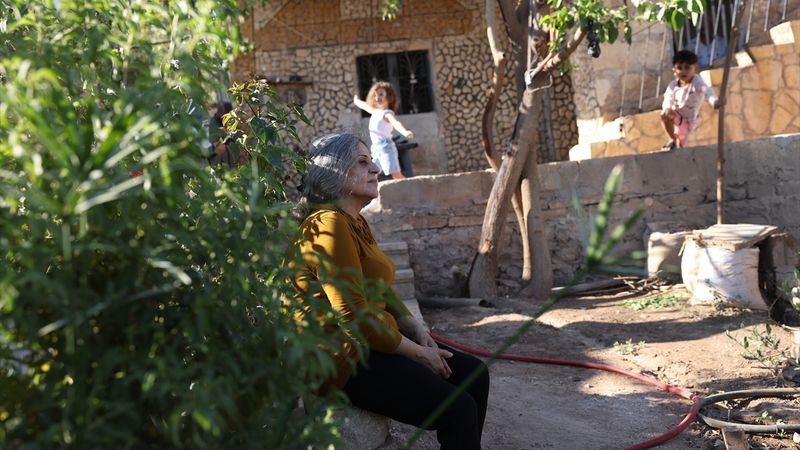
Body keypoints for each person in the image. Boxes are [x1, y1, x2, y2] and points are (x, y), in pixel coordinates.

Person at [286, 131, 489, 449]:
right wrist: (421, 354)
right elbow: (353, 316)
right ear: (335, 172)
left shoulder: (354, 222)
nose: (376, 169)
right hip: (341, 359)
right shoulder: (329, 224)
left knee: (474, 374)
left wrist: (412, 324)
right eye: (363, 162)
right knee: (458, 409)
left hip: (366, 344)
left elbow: (376, 287)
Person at [660, 49, 720, 151]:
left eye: (687, 67)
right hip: (676, 116)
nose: (683, 71)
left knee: (683, 146)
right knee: (664, 115)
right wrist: (668, 108)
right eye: (679, 68)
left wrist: (714, 101)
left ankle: (677, 144)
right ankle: (672, 139)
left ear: (695, 68)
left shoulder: (697, 82)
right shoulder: (673, 85)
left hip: (689, 121)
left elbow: (707, 90)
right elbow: (668, 98)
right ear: (674, 71)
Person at [353, 82, 414, 180]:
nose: (377, 98)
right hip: (375, 149)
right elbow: (364, 105)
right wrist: (356, 100)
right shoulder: (375, 111)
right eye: (375, 95)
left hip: (386, 147)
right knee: (373, 173)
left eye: (381, 94)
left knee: (396, 175)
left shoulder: (387, 114)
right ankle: (375, 195)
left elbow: (396, 123)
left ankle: (411, 190)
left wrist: (405, 132)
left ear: (389, 97)